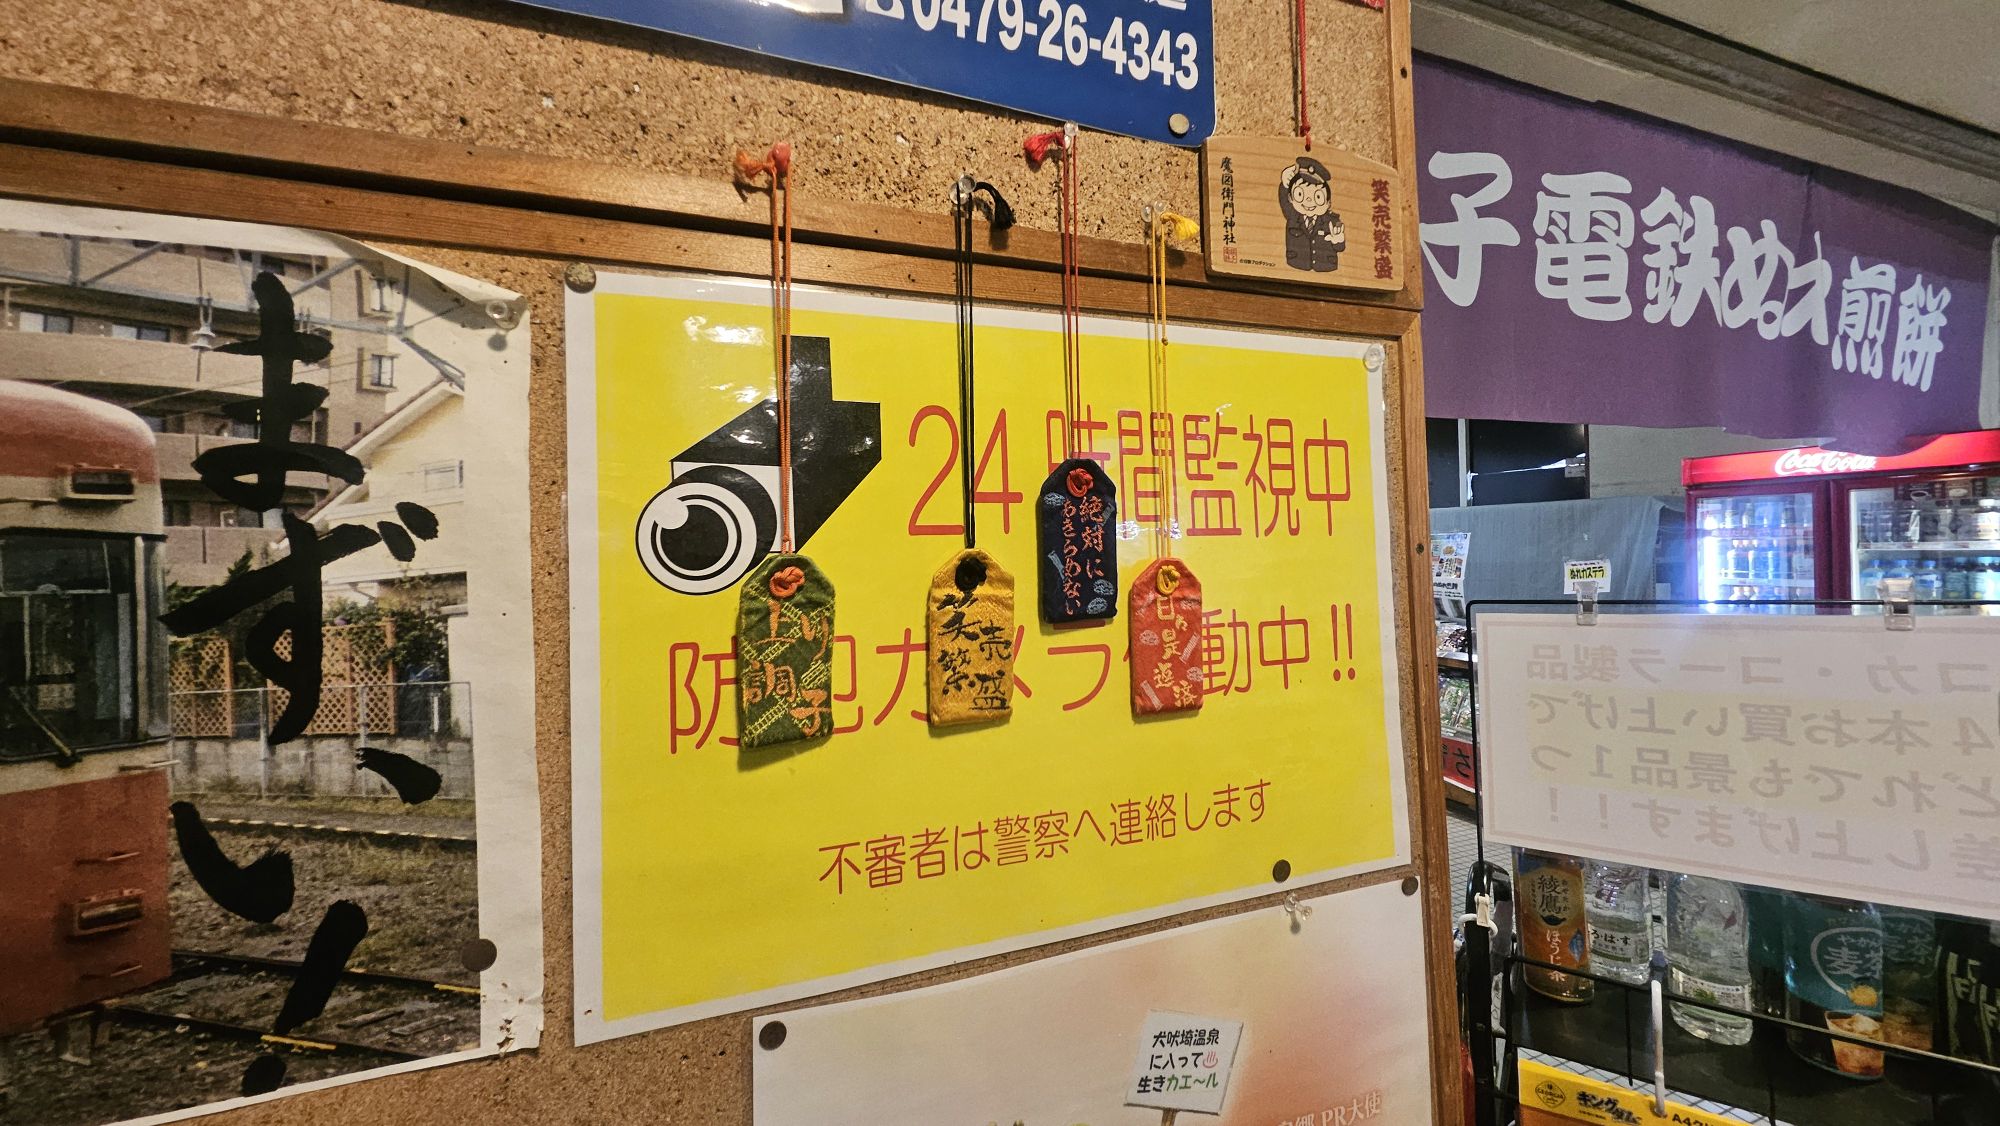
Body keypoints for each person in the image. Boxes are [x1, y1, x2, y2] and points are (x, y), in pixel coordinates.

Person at [1278, 156, 1345, 272]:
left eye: (1318, 197)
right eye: (1300, 195)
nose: (1309, 201)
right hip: (1296, 266)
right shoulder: (1293, 215)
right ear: (1290, 198)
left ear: (1328, 203)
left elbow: (1340, 248)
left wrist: (1338, 240)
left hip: (1326, 269)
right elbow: (1283, 200)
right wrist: (1284, 184)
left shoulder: (1331, 221)